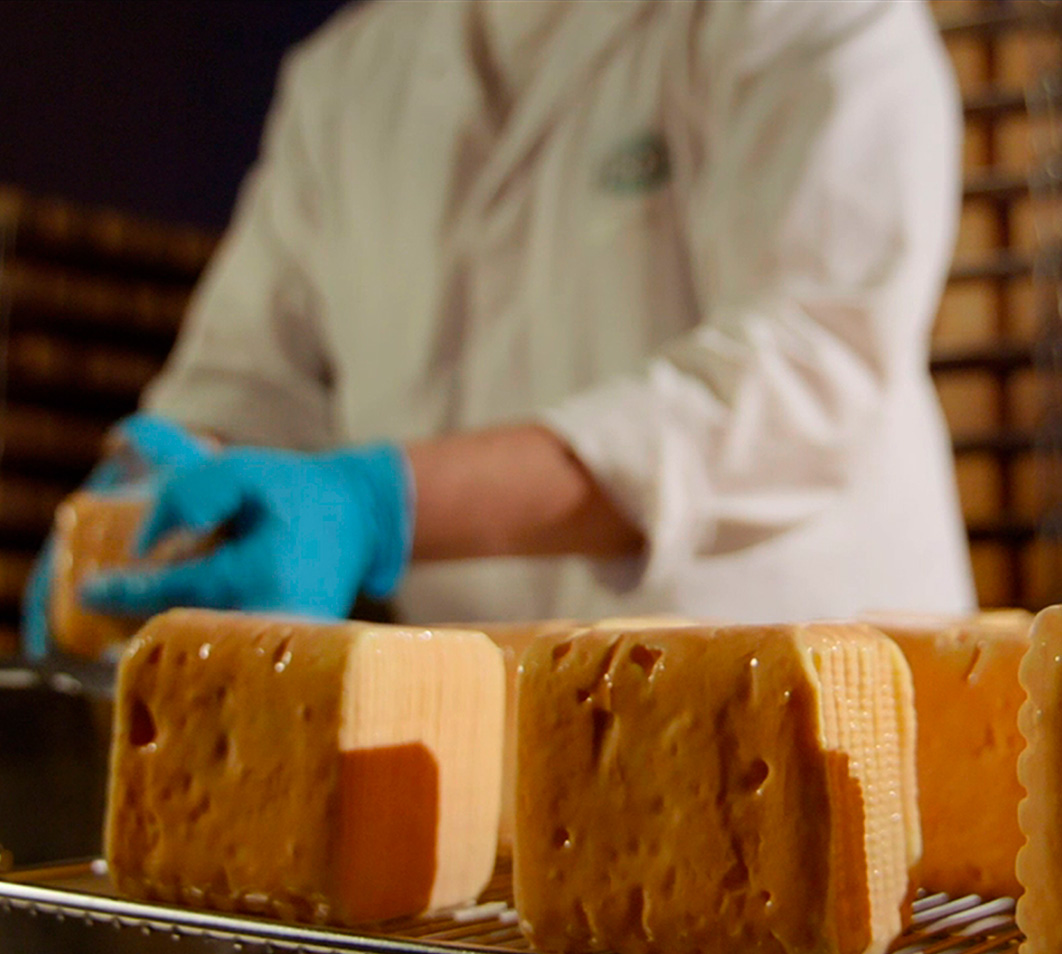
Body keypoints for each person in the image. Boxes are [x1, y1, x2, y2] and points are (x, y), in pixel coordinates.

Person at [23, 0, 977, 654]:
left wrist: (380, 505)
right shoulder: (349, 79)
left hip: (799, 705)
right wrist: (150, 496)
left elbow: (808, 370)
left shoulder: (803, 17)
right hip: (485, 739)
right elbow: (248, 381)